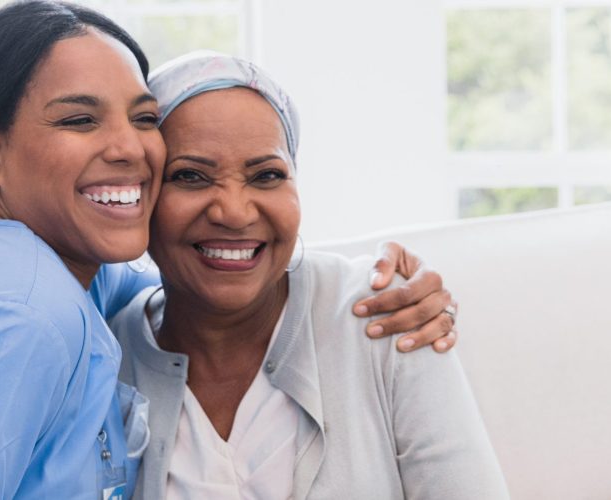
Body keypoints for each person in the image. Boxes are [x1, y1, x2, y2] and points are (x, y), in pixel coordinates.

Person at [0, 2, 457, 498]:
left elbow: (201, 269)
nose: (127, 147)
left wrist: (364, 282)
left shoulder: (72, 279)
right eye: (80, 119)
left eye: (142, 118)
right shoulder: (13, 315)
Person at [108, 52, 509, 499]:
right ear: (139, 195)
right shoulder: (103, 359)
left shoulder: (386, 318)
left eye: (266, 175)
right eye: (191, 176)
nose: (234, 212)